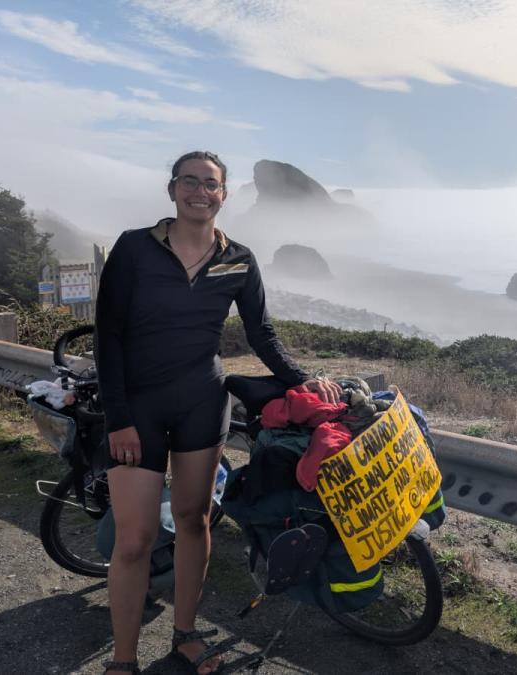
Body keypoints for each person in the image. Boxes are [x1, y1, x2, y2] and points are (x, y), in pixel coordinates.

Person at [94, 151, 341, 675]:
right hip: (135, 406)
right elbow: (109, 335)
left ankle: (185, 634)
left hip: (203, 404)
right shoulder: (134, 248)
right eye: (190, 182)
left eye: (211, 184)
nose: (199, 192)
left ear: (225, 195)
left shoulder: (240, 259)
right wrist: (118, 417)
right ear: (172, 189)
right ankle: (122, 659)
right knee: (134, 539)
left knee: (193, 519)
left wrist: (302, 380)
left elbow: (260, 333)